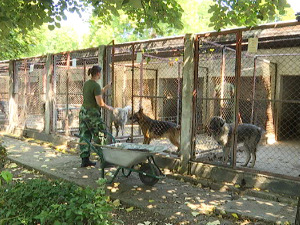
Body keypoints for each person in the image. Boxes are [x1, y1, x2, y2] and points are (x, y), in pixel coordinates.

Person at [79, 65, 114, 167]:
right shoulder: (96, 85)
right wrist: (110, 108)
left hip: (83, 113)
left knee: (84, 135)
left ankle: (84, 160)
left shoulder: (87, 84)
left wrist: (107, 87)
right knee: (101, 135)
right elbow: (100, 103)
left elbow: (96, 93)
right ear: (98, 73)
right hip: (92, 114)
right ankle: (104, 160)